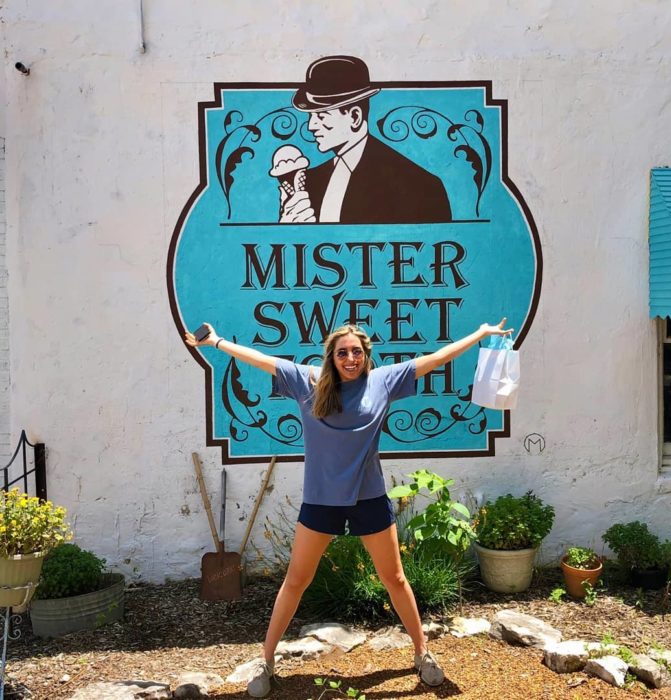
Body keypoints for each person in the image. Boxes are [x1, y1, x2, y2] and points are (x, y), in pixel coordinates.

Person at [184, 318, 512, 697]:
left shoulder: (384, 381)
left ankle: (422, 653)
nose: (350, 358)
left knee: (395, 579)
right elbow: (261, 359)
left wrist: (480, 333)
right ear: (332, 356)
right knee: (296, 581)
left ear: (366, 355)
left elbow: (437, 358)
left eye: (356, 351)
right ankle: (267, 660)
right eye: (343, 352)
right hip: (321, 500)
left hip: (368, 497)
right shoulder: (308, 381)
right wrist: (219, 341)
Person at [280, 55, 452, 224]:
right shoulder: (308, 184)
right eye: (311, 117)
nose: (311, 126)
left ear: (354, 117)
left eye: (322, 116)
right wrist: (286, 228)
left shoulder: (419, 186)